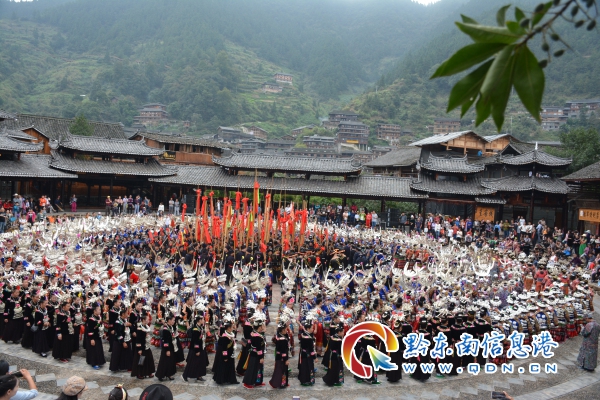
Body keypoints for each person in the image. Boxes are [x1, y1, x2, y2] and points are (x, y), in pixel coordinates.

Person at [182, 315, 209, 382]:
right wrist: (197, 350)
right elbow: (195, 341)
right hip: (195, 349)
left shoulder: (200, 327)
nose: (203, 320)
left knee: (200, 363)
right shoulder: (195, 329)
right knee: (192, 363)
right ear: (199, 320)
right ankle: (185, 375)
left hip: (201, 347)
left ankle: (199, 376)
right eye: (202, 319)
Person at [131, 314, 155, 379]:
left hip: (147, 346)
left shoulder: (147, 327)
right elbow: (138, 339)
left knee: (149, 359)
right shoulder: (139, 328)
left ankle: (149, 372)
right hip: (142, 347)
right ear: (143, 320)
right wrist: (139, 349)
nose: (149, 320)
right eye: (147, 319)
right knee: (141, 360)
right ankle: (139, 373)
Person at [155, 315, 177, 381]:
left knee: (170, 362)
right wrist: (167, 350)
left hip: (171, 347)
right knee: (164, 362)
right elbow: (165, 340)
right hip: (167, 348)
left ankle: (169, 374)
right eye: (173, 320)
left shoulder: (170, 327)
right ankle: (161, 375)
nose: (174, 321)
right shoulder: (165, 329)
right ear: (169, 320)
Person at [85, 305, 106, 370]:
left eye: (100, 309)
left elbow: (99, 326)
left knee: (98, 349)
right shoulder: (91, 319)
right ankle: (94, 363)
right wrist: (91, 339)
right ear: (94, 311)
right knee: (93, 350)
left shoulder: (99, 317)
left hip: (98, 335)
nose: (100, 311)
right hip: (93, 337)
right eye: (99, 310)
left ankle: (99, 361)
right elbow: (90, 330)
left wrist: (103, 333)